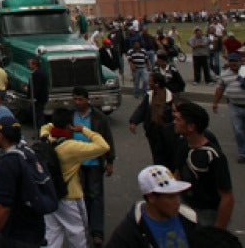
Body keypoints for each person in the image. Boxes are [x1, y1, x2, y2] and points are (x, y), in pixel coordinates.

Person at [40, 107, 110, 248]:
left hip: (50, 195)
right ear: (68, 126)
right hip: (70, 197)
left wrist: (55, 124)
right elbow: (103, 146)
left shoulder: (46, 139)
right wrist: (84, 130)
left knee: (52, 235)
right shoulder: (72, 147)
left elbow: (45, 127)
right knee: (79, 236)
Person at [0, 116, 47, 248]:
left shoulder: (8, 163)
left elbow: (4, 207)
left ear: (2, 137)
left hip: (18, 234)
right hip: (35, 229)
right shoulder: (29, 153)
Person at [104, 165, 197, 248]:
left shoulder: (189, 218)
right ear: (151, 197)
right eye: (171, 197)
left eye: (178, 195)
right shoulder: (130, 231)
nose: (178, 201)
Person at [172, 102, 233, 228]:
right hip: (184, 208)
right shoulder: (182, 145)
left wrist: (218, 231)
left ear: (191, 127)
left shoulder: (213, 156)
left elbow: (227, 197)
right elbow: (177, 174)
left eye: (178, 120)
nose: (174, 122)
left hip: (207, 213)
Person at [72, 87, 116, 247]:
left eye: (80, 99)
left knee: (95, 196)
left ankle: (97, 232)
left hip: (94, 163)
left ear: (87, 100)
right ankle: (84, 228)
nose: (77, 102)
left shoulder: (98, 117)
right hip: (76, 163)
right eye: (75, 99)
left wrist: (110, 161)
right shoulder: (71, 116)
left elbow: (107, 139)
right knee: (81, 197)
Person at [129, 74, 175, 166]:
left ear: (157, 84)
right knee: (156, 154)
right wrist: (134, 122)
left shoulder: (170, 98)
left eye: (150, 81)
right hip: (153, 130)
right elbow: (142, 109)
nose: (149, 83)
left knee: (167, 153)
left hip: (166, 131)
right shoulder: (149, 96)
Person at [27, 55, 50, 133]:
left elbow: (36, 87)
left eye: (30, 64)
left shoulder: (37, 74)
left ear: (34, 65)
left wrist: (33, 97)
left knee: (39, 115)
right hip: (41, 98)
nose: (29, 65)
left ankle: (42, 132)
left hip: (38, 99)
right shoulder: (41, 72)